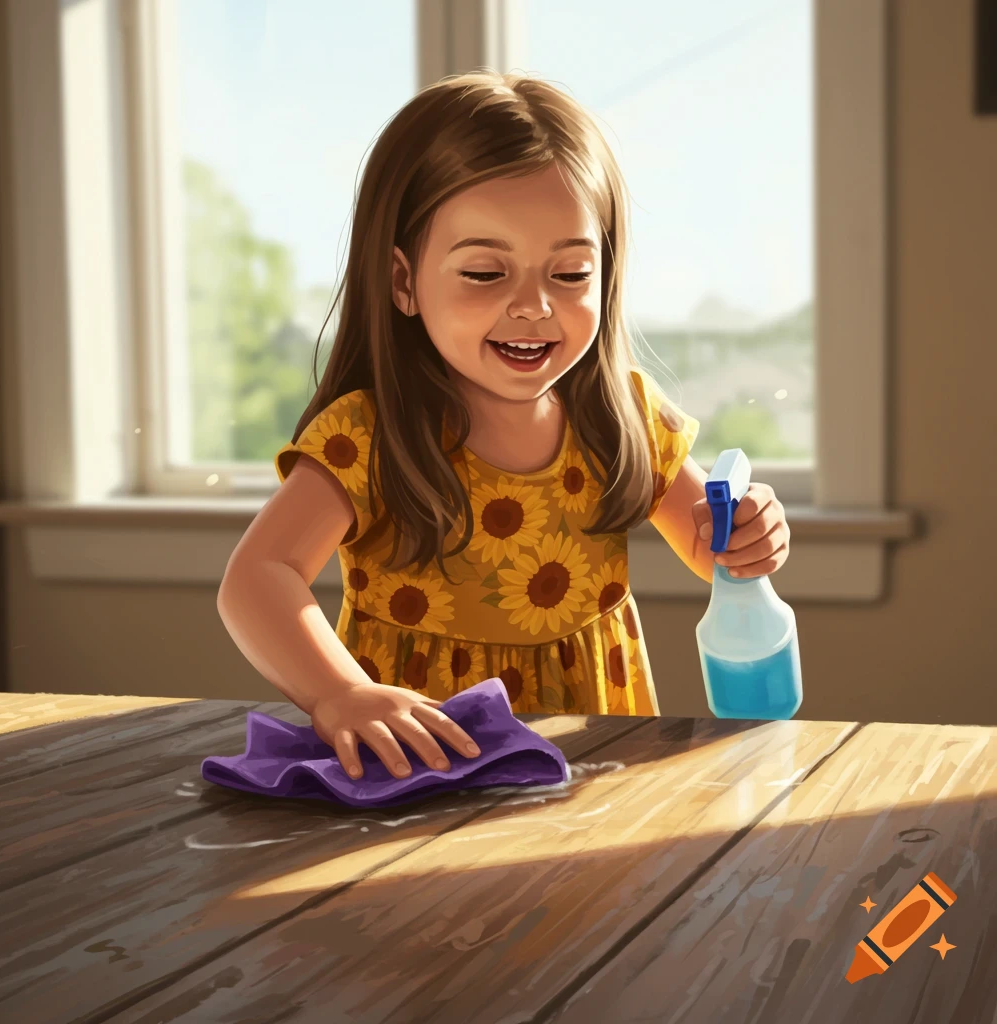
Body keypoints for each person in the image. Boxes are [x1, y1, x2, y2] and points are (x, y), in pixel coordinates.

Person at [217, 69, 791, 784]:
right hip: (424, 769)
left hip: (592, 767)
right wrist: (339, 694)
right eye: (485, 273)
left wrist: (747, 532)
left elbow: (713, 549)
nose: (534, 306)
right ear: (403, 282)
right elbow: (257, 578)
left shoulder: (620, 418)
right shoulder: (368, 437)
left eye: (570, 273)